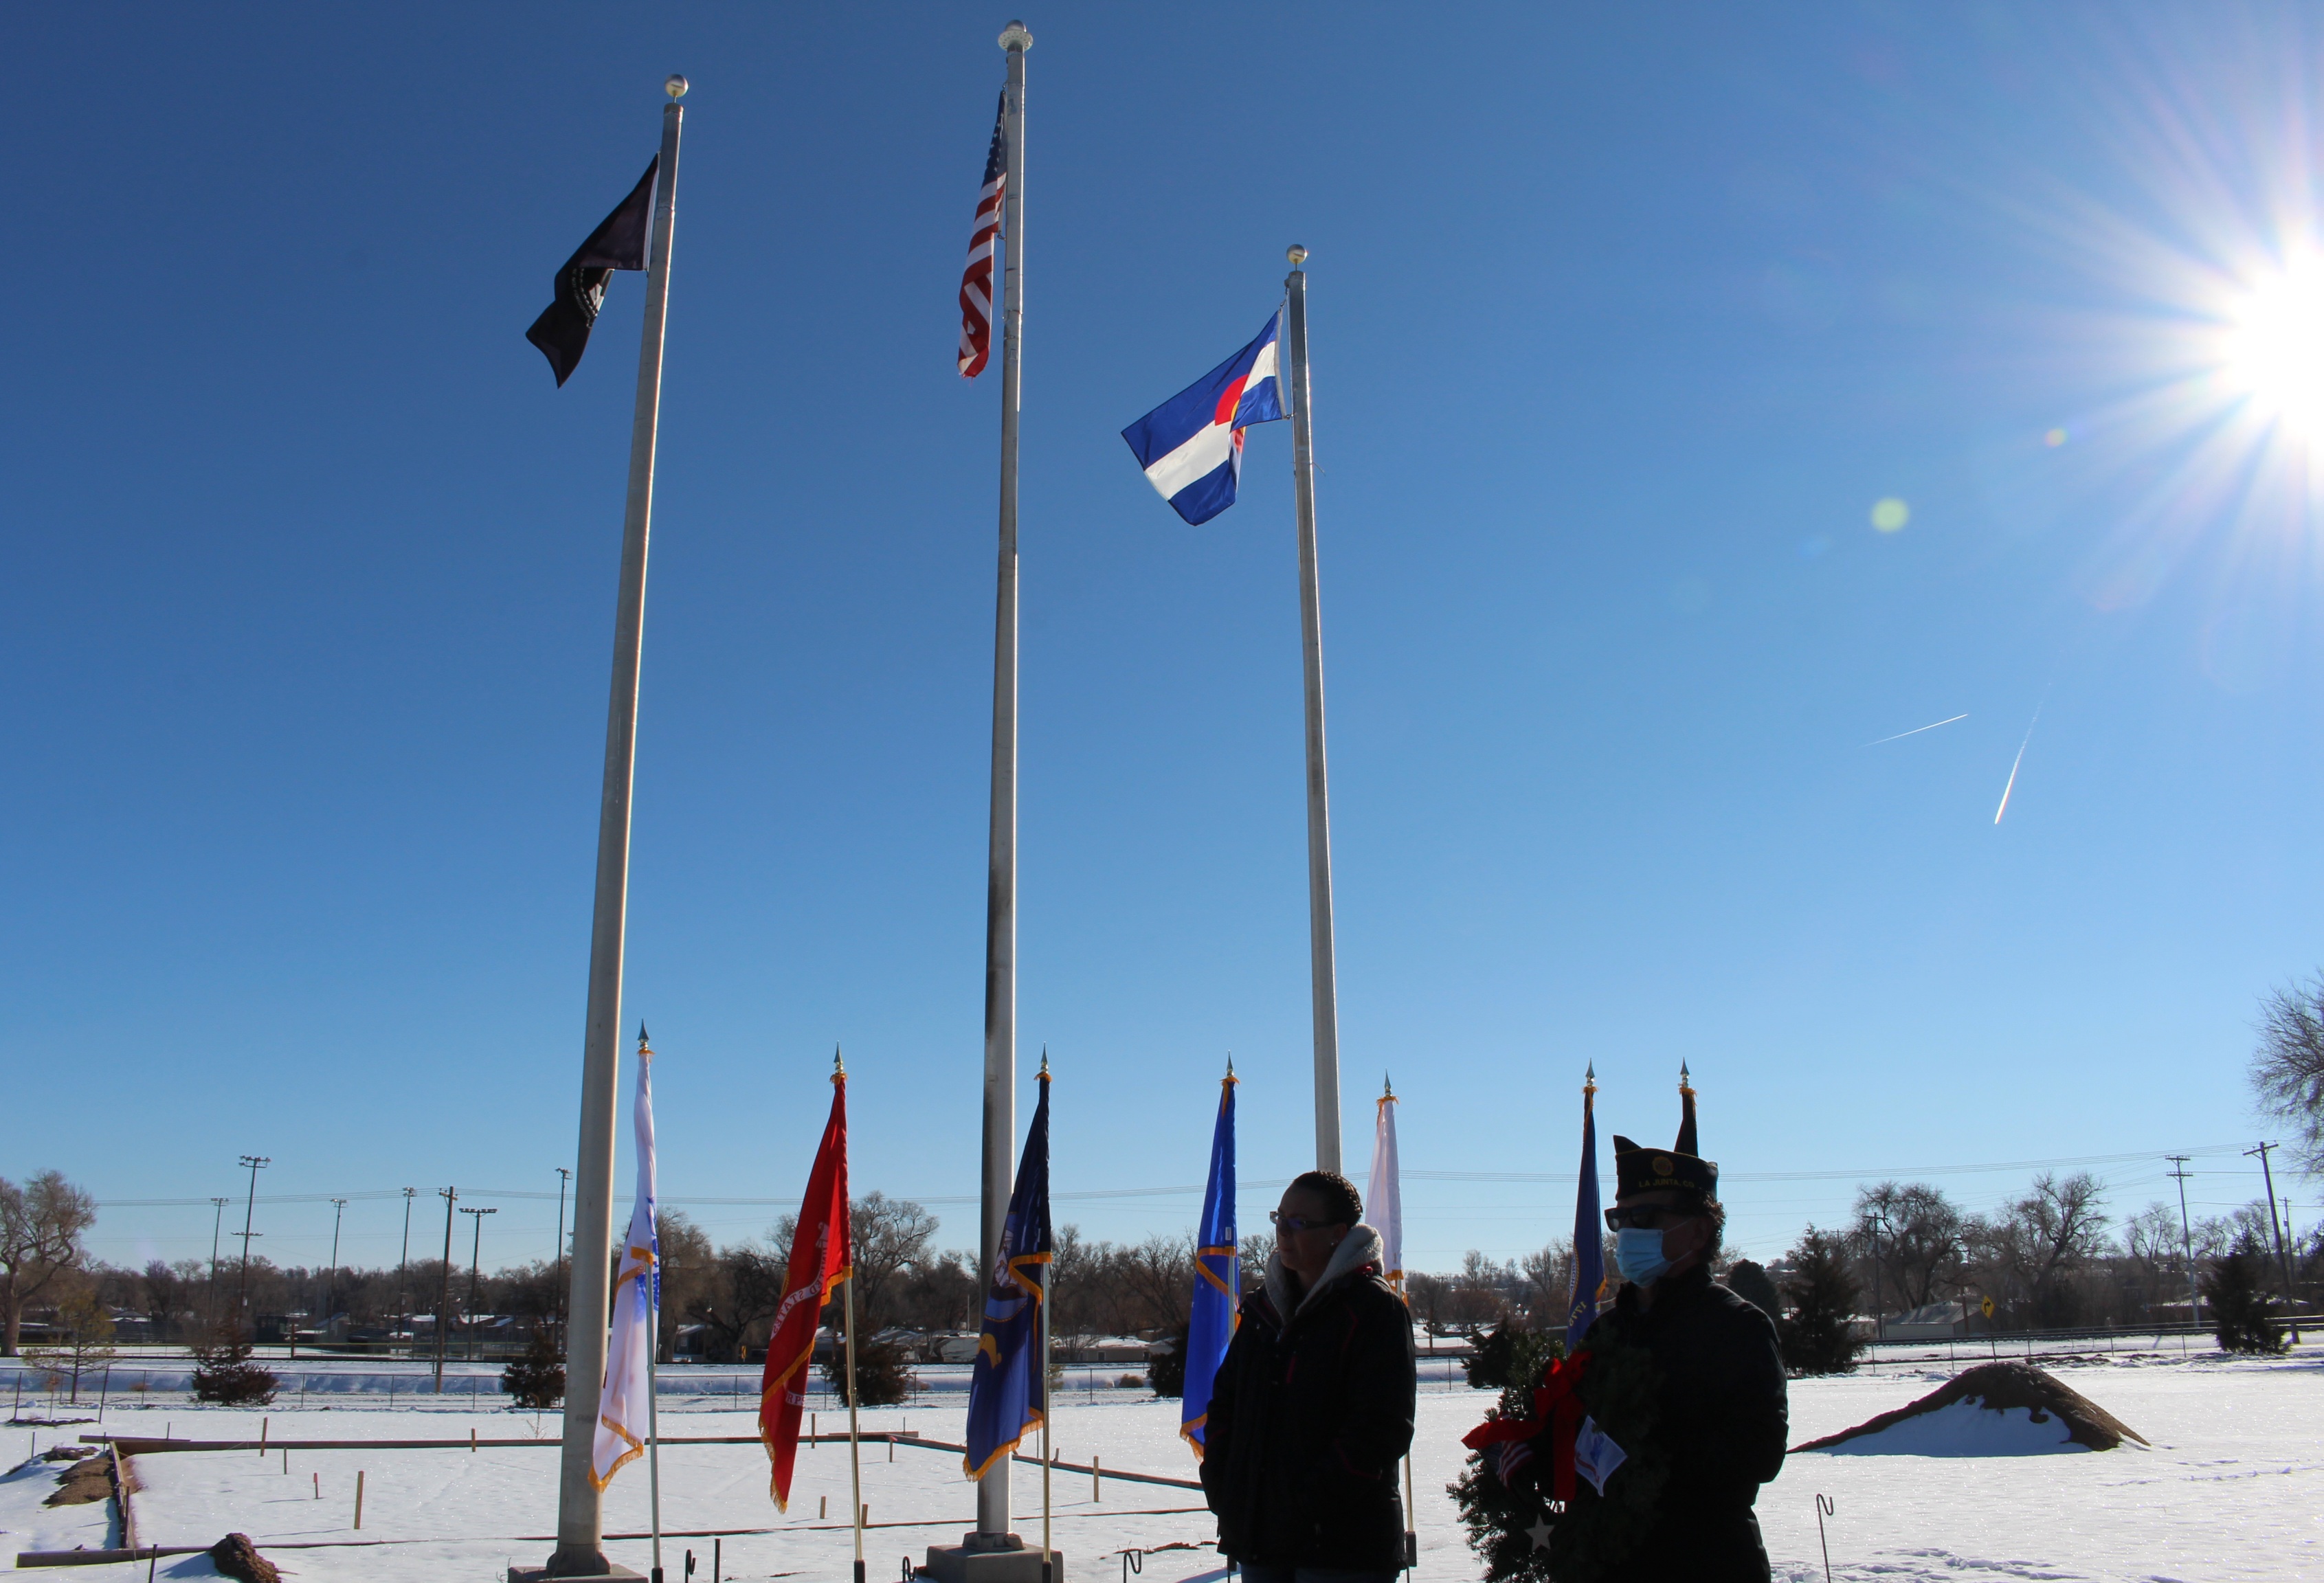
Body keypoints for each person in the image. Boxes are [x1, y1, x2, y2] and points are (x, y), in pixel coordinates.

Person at [1497, 1128, 1788, 1582]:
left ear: (1699, 1231)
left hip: (1708, 1563)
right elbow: (1578, 1438)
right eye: (1621, 1219)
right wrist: (1536, 1451)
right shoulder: (1607, 1330)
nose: (1628, 1233)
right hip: (1614, 1565)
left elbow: (1759, 1454)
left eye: (1647, 1217)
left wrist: (1643, 1446)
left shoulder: (1737, 1328)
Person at [1201, 1169, 1416, 1583]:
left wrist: (1304, 1502)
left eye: (1298, 1223)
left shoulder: (1373, 1311)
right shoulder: (1265, 1311)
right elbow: (1226, 1402)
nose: (1283, 1231)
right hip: (1262, 1539)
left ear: (1338, 1233)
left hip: (1342, 1549)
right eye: (1279, 1218)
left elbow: (1379, 1430)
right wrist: (1224, 1482)